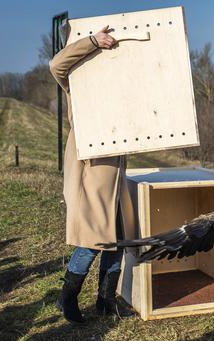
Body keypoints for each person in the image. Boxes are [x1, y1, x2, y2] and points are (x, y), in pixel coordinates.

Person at [49, 26, 136, 323]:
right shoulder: (78, 79)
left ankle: (105, 301)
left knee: (118, 238)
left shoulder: (118, 87)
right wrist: (91, 42)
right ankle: (67, 297)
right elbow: (55, 64)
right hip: (90, 170)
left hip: (115, 171)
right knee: (91, 240)